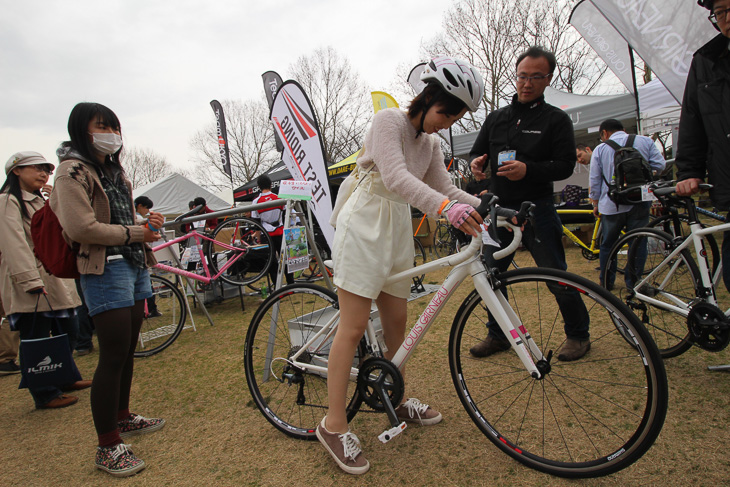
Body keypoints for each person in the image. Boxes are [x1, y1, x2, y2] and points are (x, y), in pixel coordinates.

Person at [318, 56, 485, 475]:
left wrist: (492, 207)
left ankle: (396, 395)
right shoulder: (389, 120)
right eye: (445, 112)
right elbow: (394, 177)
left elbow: (443, 187)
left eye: (455, 118)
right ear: (428, 97)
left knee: (397, 323)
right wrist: (447, 209)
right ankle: (333, 425)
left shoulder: (432, 144)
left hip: (397, 226)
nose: (445, 123)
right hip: (366, 218)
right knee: (354, 326)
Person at [51, 103, 165, 477]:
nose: (111, 133)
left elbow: (118, 218)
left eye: (114, 127)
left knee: (128, 349)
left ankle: (123, 416)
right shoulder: (72, 171)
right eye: (102, 126)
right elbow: (81, 227)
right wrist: (137, 231)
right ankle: (107, 445)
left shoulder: (113, 169)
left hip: (131, 264)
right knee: (112, 354)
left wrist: (145, 224)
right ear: (82, 130)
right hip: (103, 269)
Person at [468, 46, 591, 362]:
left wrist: (529, 169)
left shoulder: (556, 119)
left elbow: (565, 165)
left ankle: (578, 336)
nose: (527, 83)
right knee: (491, 276)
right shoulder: (497, 118)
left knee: (556, 275)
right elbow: (478, 155)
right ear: (517, 75)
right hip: (498, 211)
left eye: (536, 77)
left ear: (548, 78)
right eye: (523, 76)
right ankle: (498, 335)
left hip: (536, 208)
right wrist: (478, 166)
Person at [0, 151, 90, 407]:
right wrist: (29, 280)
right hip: (31, 278)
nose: (43, 173)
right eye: (36, 168)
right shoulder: (7, 201)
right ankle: (45, 393)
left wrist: (56, 202)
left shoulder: (41, 201)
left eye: (46, 169)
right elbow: (13, 242)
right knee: (36, 334)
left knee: (69, 328)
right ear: (16, 170)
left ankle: (64, 377)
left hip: (55, 276)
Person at [675, 0, 730, 292]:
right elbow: (693, 121)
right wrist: (688, 171)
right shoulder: (706, 60)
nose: (727, 17)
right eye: (721, 11)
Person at [589, 119, 665, 290]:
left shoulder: (601, 149)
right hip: (639, 201)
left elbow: (594, 180)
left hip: (611, 203)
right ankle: (634, 282)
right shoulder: (645, 141)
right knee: (638, 242)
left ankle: (607, 282)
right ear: (623, 129)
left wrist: (595, 202)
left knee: (608, 244)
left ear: (604, 133)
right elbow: (660, 165)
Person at [251, 174, 293, 287]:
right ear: (270, 185)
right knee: (285, 257)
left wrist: (258, 237)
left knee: (271, 261)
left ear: (259, 186)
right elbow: (285, 214)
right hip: (280, 230)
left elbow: (256, 222)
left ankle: (277, 285)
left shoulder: (256, 201)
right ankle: (291, 283)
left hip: (266, 233)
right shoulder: (279, 197)